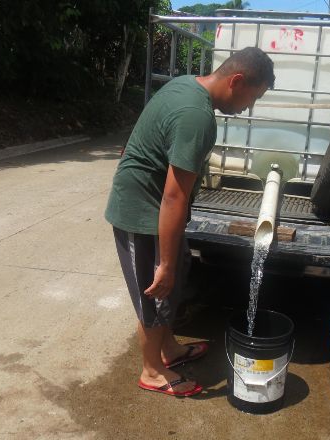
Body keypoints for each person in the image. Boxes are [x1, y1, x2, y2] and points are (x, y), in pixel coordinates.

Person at [105, 47, 275, 397]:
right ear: (237, 81)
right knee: (157, 289)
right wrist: (163, 264)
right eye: (252, 98)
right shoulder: (198, 117)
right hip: (142, 211)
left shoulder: (185, 84)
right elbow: (174, 197)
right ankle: (151, 371)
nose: (249, 108)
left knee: (176, 274)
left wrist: (172, 260)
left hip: (158, 209)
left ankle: (169, 349)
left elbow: (141, 137)